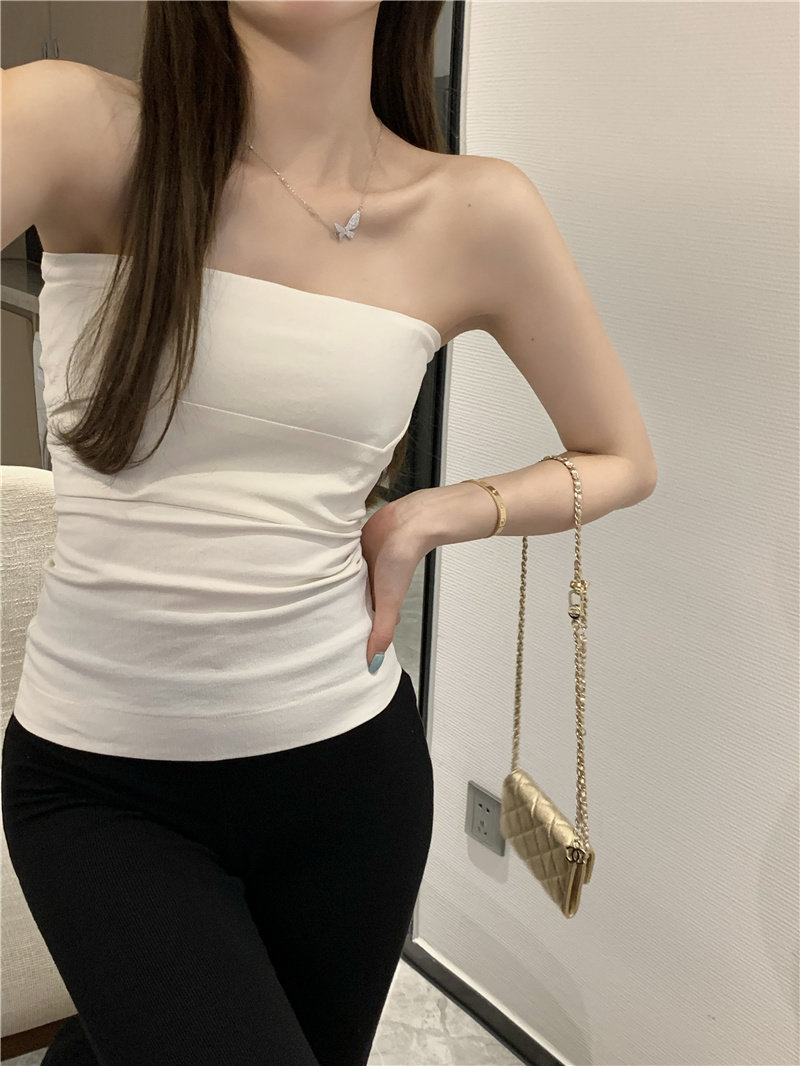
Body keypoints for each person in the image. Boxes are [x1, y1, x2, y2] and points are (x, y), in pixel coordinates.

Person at [1, 3, 451, 1063]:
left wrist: (425, 514)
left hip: (352, 778)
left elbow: (619, 454)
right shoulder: (70, 124)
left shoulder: (467, 208)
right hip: (102, 783)